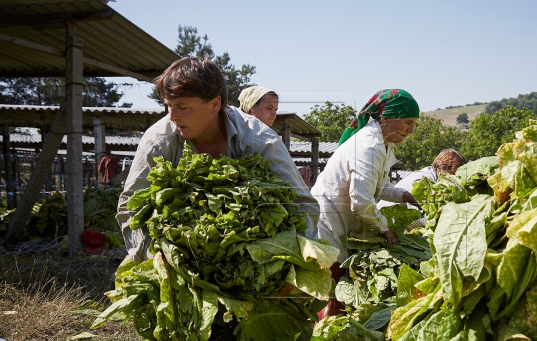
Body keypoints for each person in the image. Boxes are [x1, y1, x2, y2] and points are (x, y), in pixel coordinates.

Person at [117, 57, 319, 262]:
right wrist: (159, 260)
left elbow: (302, 205)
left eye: (183, 107)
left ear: (215, 104)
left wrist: (290, 263)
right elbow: (130, 207)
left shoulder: (260, 140)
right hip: (179, 262)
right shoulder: (158, 142)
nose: (172, 116)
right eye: (168, 105)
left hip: (253, 263)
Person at [311, 89, 420, 316]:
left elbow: (379, 187)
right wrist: (384, 228)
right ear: (386, 118)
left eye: (414, 124)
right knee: (331, 289)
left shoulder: (384, 143)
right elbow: (360, 200)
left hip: (342, 222)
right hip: (329, 223)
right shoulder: (369, 147)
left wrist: (406, 196)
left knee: (339, 287)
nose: (411, 130)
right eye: (408, 122)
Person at [377, 149, 467, 210]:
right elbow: (423, 213)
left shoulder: (434, 179)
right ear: (439, 169)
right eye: (452, 174)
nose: (454, 179)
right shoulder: (423, 180)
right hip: (381, 223)